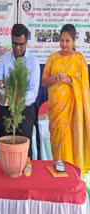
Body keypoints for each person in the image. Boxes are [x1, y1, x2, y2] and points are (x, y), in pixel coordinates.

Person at [41, 24, 90, 175]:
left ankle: (71, 177)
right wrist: (55, 78)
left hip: (72, 113)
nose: (64, 44)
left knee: (70, 143)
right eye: (61, 40)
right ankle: (59, 176)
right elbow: (44, 81)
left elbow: (83, 86)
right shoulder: (53, 58)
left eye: (67, 41)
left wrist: (70, 80)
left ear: (74, 40)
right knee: (57, 145)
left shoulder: (79, 60)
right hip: (56, 111)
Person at [0, 23, 40, 158]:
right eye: (14, 43)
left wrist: (19, 98)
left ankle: (25, 175)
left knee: (23, 148)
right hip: (6, 109)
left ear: (27, 41)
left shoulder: (33, 61)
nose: (18, 48)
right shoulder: (6, 58)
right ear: (11, 40)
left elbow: (34, 92)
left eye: (21, 44)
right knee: (6, 145)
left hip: (25, 111)